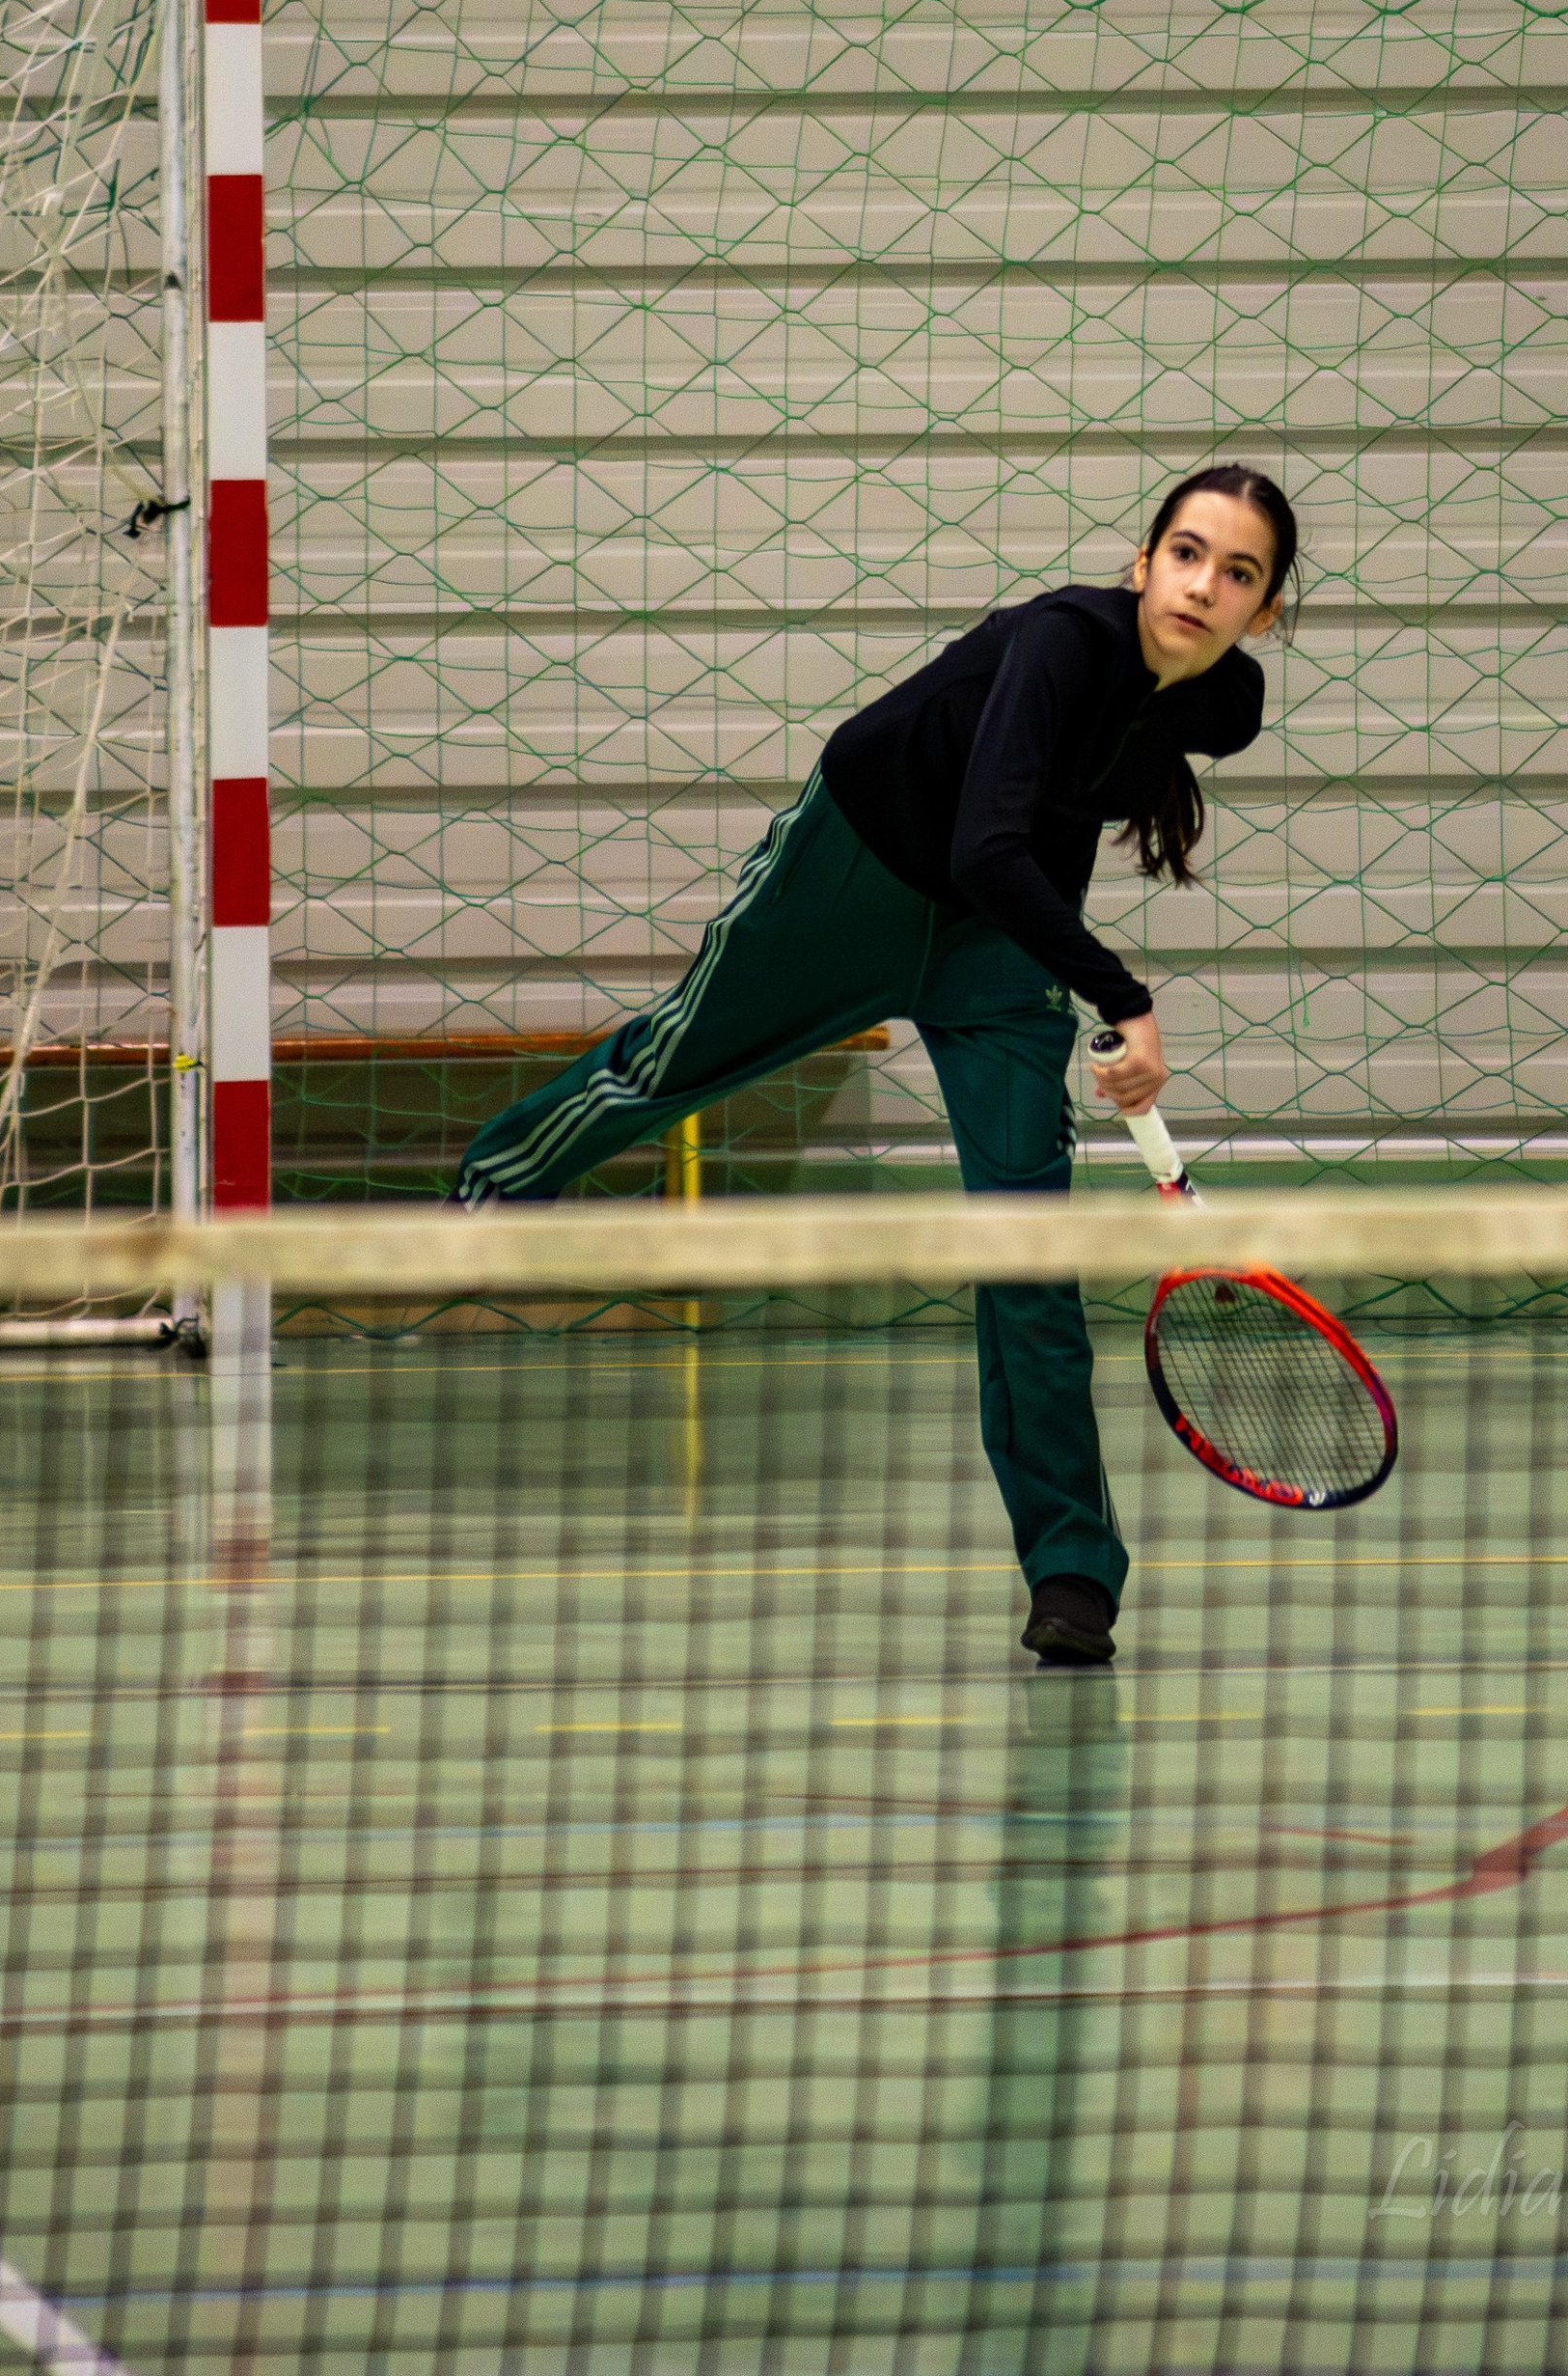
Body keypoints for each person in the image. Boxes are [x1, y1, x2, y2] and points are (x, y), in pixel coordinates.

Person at [454, 464, 1298, 1665]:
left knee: (1029, 1254)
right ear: (1142, 562)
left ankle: (1070, 1574)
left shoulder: (1225, 704)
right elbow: (988, 840)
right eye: (1187, 552)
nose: (1204, 585)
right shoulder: (1061, 640)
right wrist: (1121, 996)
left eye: (1238, 572)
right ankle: (492, 1187)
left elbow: (1065, 808)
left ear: (1263, 610)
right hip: (853, 874)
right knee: (666, 1068)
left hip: (996, 947)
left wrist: (1072, 979)